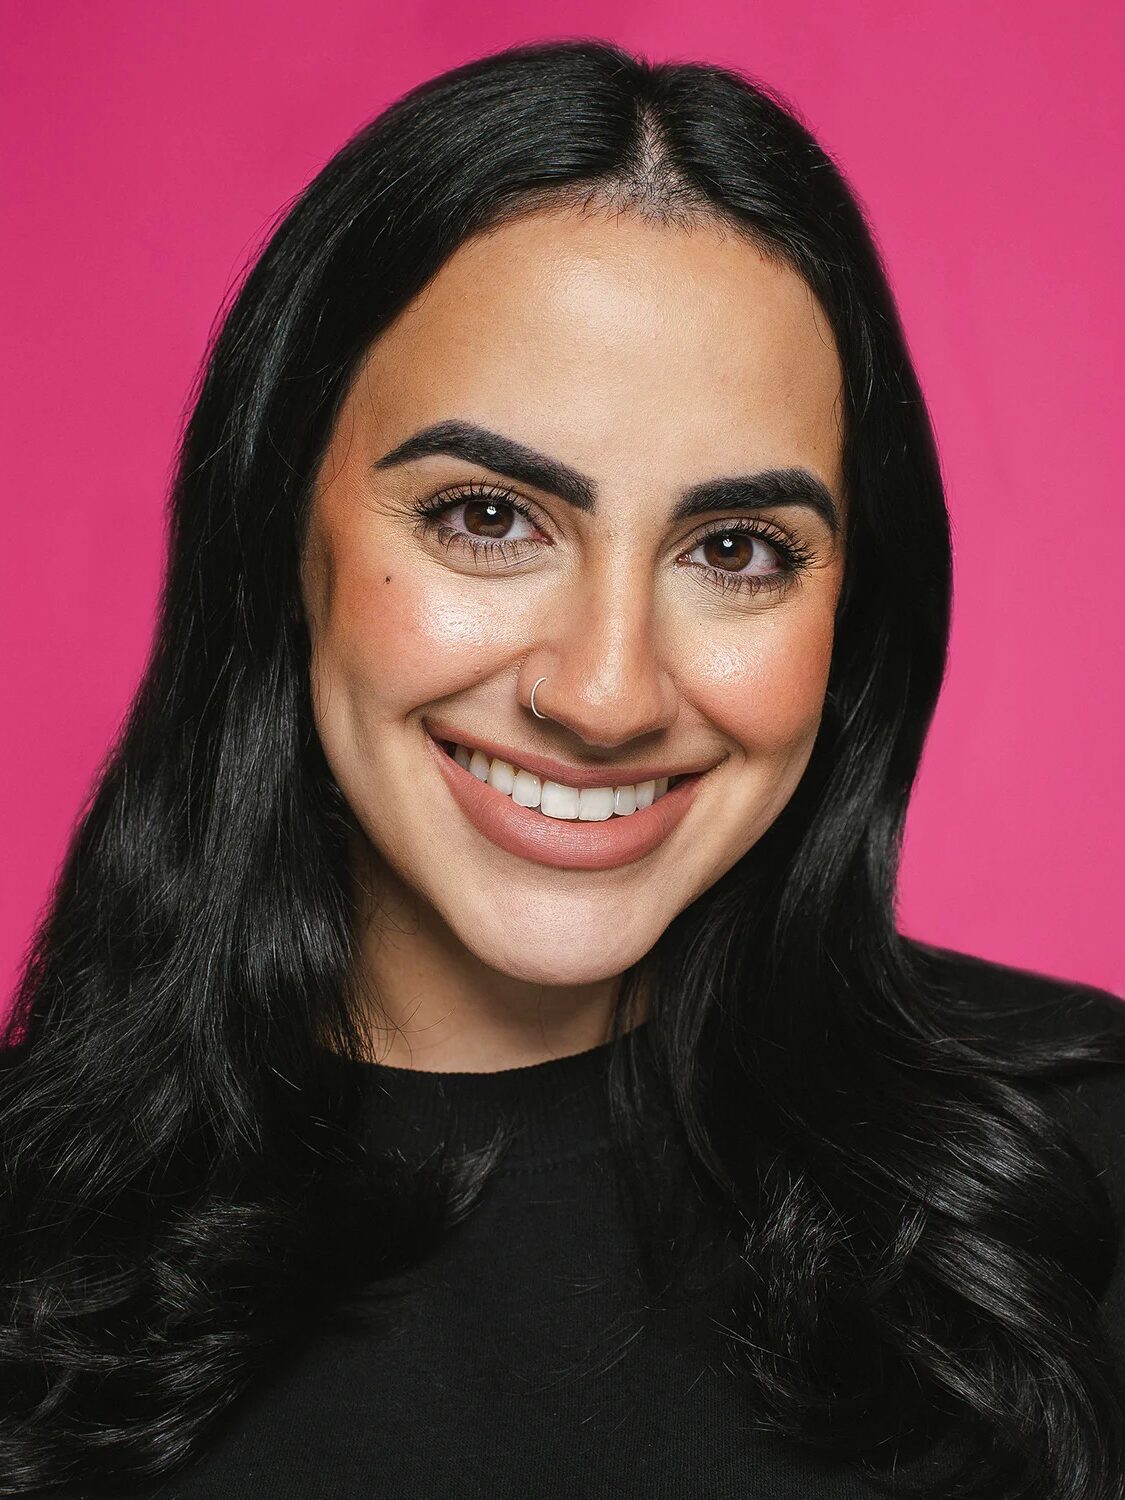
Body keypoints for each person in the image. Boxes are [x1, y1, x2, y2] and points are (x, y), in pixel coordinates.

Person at [2, 37, 1123, 1500]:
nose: (604, 694)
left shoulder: (1075, 1172)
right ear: (285, 528)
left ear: (850, 613)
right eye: (485, 516)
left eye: (734, 552)